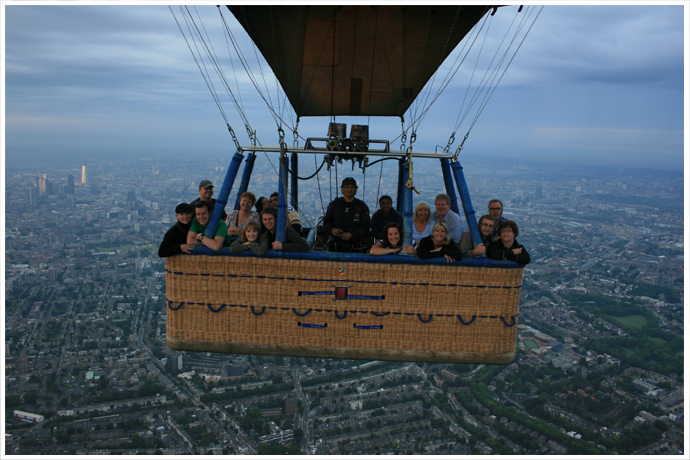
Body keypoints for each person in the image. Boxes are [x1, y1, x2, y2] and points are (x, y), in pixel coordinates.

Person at [323, 177, 371, 252]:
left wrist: (352, 234)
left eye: (352, 187)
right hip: (335, 247)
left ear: (356, 189)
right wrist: (332, 230)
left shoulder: (361, 206)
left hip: (354, 246)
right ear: (342, 189)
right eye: (347, 187)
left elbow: (366, 226)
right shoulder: (335, 204)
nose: (349, 189)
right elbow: (326, 222)